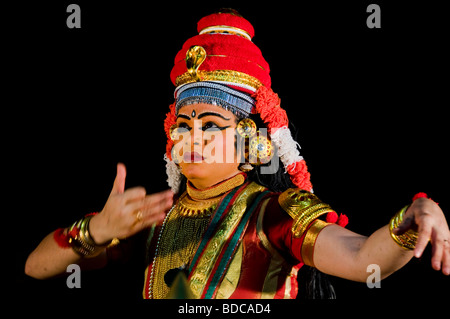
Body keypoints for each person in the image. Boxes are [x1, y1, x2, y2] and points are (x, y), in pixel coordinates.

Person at [25, 9, 450, 299]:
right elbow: (36, 267)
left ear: (249, 141)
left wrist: (410, 223)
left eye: (209, 125)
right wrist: (98, 230)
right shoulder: (154, 218)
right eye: (183, 126)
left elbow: (362, 260)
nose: (191, 137)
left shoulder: (274, 213)